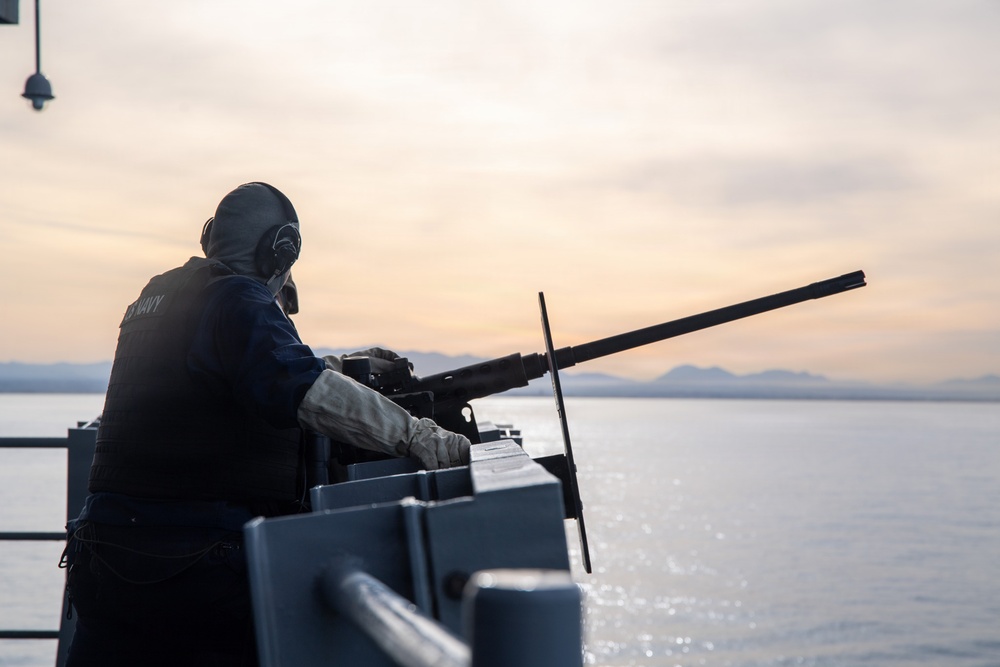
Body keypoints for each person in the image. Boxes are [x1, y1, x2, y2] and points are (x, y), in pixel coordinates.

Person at [62, 182, 471, 667]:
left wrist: (339, 365)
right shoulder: (235, 297)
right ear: (280, 249)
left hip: (104, 555)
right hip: (188, 566)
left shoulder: (158, 297)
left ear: (212, 235)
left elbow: (225, 371)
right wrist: (421, 435)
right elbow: (295, 385)